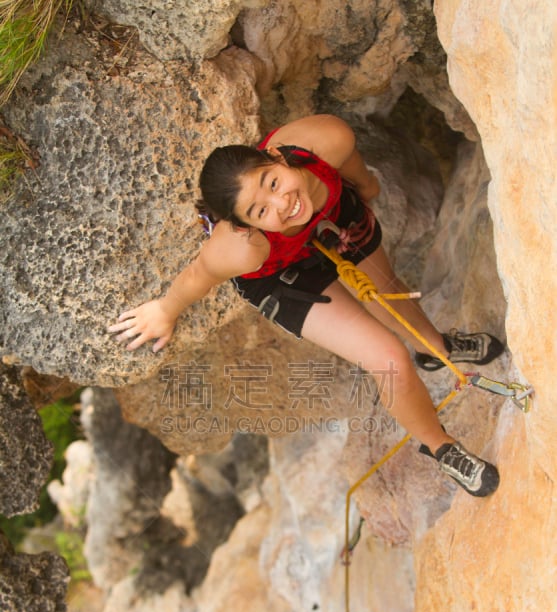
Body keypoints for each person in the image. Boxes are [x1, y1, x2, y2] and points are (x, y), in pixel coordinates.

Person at [108, 114, 503, 497]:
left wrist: (364, 186)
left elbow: (348, 162)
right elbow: (199, 274)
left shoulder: (326, 139)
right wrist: (164, 310)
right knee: (388, 360)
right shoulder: (245, 248)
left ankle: (435, 347)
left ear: (278, 157)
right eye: (260, 210)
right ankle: (441, 448)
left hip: (333, 218)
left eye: (272, 182)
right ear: (246, 224)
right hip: (281, 276)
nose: (282, 203)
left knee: (388, 293)